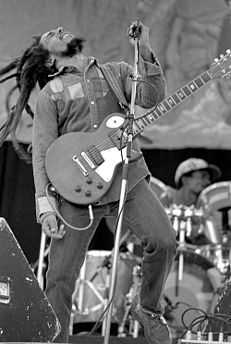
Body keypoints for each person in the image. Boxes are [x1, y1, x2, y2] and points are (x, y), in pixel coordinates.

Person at [0, 22, 176, 344]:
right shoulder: (51, 94)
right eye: (52, 36)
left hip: (126, 177)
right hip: (76, 191)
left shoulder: (115, 72)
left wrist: (145, 49)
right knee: (59, 277)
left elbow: (151, 97)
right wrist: (45, 203)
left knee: (164, 241)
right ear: (51, 60)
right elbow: (42, 152)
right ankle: (55, 340)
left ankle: (148, 309)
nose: (60, 28)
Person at [160, 157, 221, 245]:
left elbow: (214, 246)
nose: (208, 182)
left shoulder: (204, 206)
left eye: (209, 178)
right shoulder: (167, 196)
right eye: (203, 176)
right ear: (185, 179)